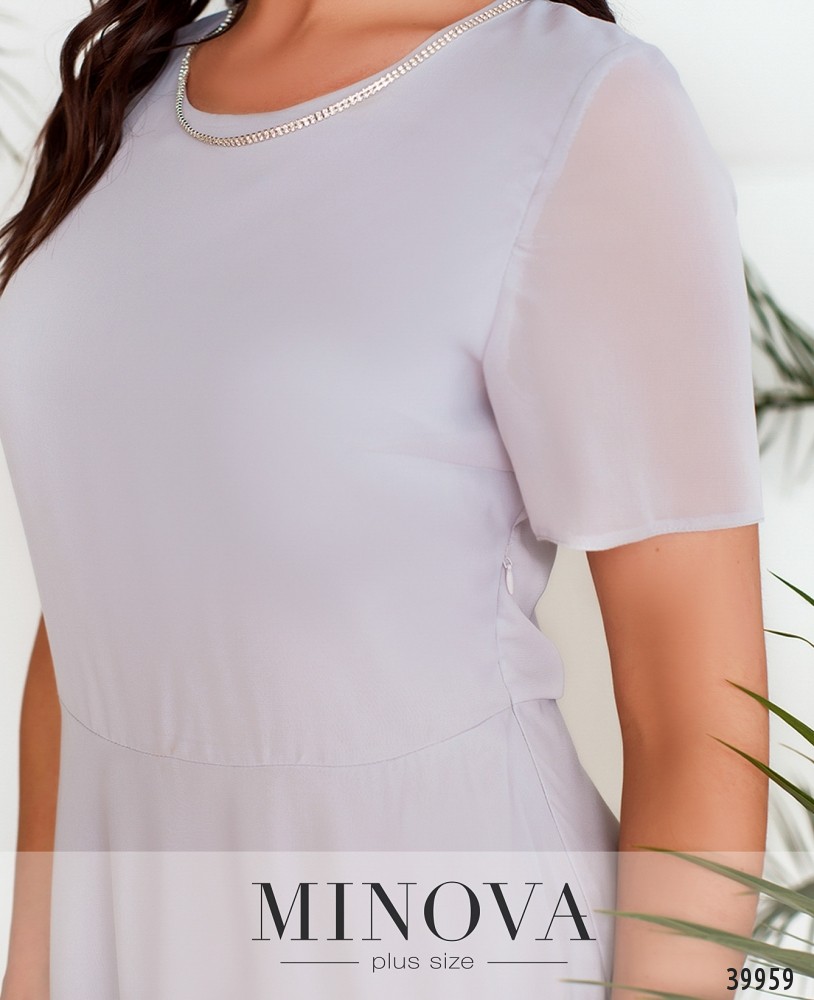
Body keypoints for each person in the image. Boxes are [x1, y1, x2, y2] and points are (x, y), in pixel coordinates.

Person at [0, 0, 769, 996]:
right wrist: (33, 967)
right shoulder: (133, 87)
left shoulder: (585, 105)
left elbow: (696, 723)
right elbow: (92, 609)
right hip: (125, 937)